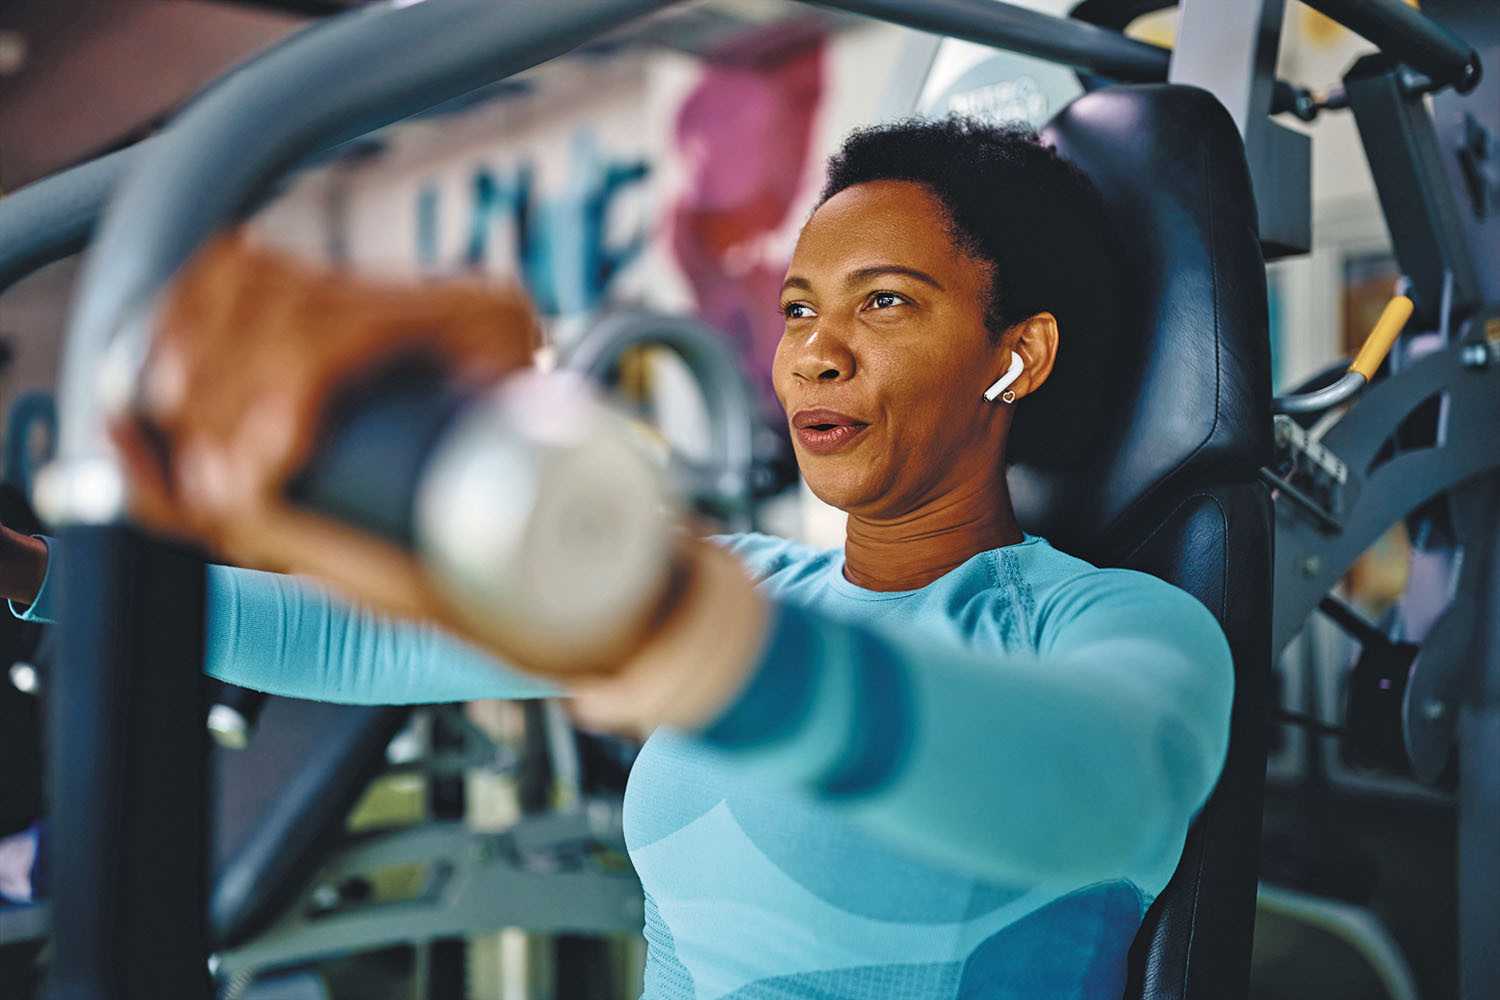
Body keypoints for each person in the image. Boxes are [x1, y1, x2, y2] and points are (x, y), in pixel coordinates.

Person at [6, 118, 1233, 999]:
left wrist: (666, 629)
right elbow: (347, 634)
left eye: (888, 302)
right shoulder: (757, 577)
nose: (812, 352)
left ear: (1014, 357)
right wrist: (29, 569)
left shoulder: (1120, 631)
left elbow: (1093, 787)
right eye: (801, 308)